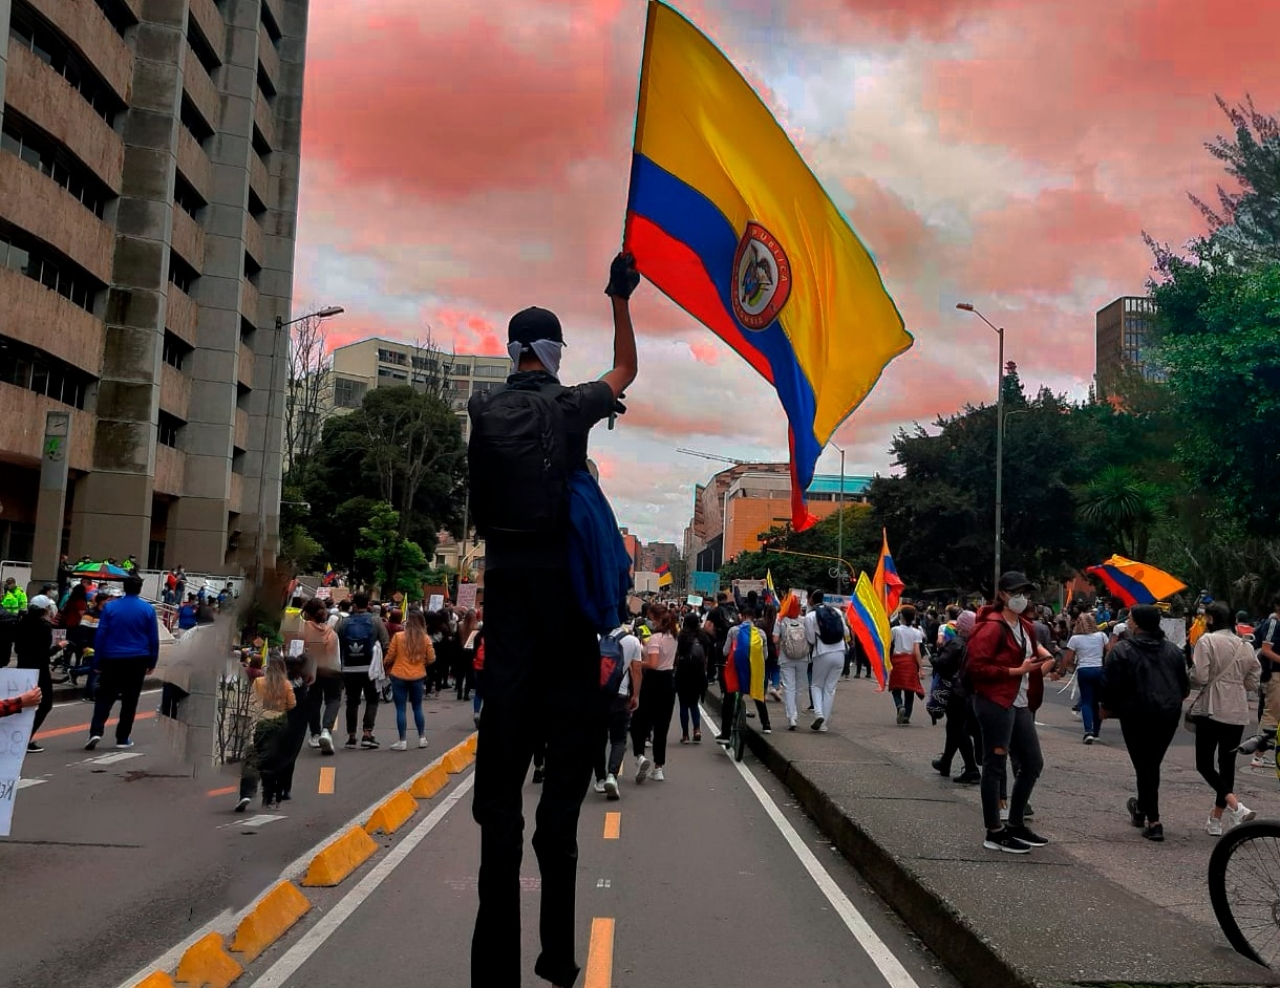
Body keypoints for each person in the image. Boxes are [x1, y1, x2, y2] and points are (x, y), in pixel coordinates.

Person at [467, 251, 639, 988]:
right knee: (557, 822)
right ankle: (558, 960)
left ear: (511, 354)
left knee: (497, 825)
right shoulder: (573, 407)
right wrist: (620, 297)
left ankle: (492, 974)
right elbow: (627, 370)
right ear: (554, 353)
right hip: (568, 640)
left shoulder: (480, 409)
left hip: (507, 649)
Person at [965, 572, 1055, 854]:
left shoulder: (1025, 626)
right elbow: (975, 668)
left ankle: (1015, 823)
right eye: (1016, 592)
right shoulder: (990, 627)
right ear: (1002, 594)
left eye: (1025, 592)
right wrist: (1015, 671)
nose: (1022, 597)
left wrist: (1042, 662)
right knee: (994, 765)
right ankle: (994, 831)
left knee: (1032, 762)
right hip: (994, 701)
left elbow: (1037, 654)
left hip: (1019, 702)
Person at [1099, 604, 1189, 842]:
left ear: (1137, 623)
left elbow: (1111, 685)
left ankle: (1154, 820)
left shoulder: (1122, 651)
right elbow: (1184, 687)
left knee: (1145, 764)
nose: (1127, 621)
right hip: (1167, 714)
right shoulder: (1173, 651)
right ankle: (1141, 809)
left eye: (1129, 617)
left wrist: (1106, 708)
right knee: (1150, 763)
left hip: (1136, 714)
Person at [1189, 600, 1260, 835]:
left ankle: (1236, 806)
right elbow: (1253, 680)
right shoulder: (1245, 645)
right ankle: (1216, 819)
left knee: (1204, 763)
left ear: (1211, 619)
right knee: (1226, 764)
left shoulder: (1207, 641)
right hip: (1237, 709)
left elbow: (1200, 676)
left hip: (1212, 707)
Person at [85, 576, 159, 751]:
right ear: (140, 589)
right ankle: (122, 737)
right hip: (137, 658)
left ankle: (95, 731)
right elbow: (153, 639)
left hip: (112, 658)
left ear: (124, 588)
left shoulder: (110, 607)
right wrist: (152, 660)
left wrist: (97, 660)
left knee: (105, 697)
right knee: (130, 700)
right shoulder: (147, 609)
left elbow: (101, 635)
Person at [237, 651, 297, 812]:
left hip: (261, 723)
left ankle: (246, 793)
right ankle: (269, 797)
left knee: (253, 758)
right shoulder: (285, 684)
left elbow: (251, 702)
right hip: (280, 725)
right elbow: (292, 704)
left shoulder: (258, 682)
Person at [595, 618, 644, 800]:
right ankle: (612, 776)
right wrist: (636, 695)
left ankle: (599, 779)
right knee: (618, 739)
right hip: (620, 695)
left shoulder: (596, 636)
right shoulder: (632, 641)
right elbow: (637, 669)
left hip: (596, 696)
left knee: (598, 738)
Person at [931, 610, 981, 783]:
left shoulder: (957, 643)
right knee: (954, 728)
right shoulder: (976, 644)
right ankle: (946, 762)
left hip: (955, 691)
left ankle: (971, 768)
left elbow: (943, 664)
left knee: (957, 729)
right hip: (970, 692)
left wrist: (934, 658)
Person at [631, 602, 678, 782]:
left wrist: (637, 663)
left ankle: (640, 755)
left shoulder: (656, 638)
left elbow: (653, 663)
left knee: (639, 720)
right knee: (662, 725)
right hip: (669, 681)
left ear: (656, 619)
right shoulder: (673, 636)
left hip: (653, 681)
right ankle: (659, 767)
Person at [336, 592, 389, 749]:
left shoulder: (344, 622)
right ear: (368, 604)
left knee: (352, 701)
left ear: (354, 604)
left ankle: (352, 736)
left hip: (349, 668)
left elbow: (337, 643)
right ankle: (367, 734)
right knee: (372, 700)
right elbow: (386, 643)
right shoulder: (375, 620)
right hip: (370, 669)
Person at [14, 596, 66, 749]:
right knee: (45, 704)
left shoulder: (22, 622)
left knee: (22, 703)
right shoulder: (44, 626)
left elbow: (17, 648)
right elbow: (44, 653)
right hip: (39, 670)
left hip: (22, 667)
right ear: (45, 609)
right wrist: (59, 646)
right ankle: (25, 738)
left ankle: (15, 735)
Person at [385, 609, 435, 751]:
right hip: (418, 675)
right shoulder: (425, 638)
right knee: (417, 707)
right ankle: (422, 738)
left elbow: (390, 655)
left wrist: (386, 664)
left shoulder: (398, 637)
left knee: (401, 709)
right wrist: (421, 663)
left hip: (399, 675)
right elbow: (431, 658)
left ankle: (402, 741)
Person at [1060, 613, 1110, 743]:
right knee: (1097, 702)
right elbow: (1110, 650)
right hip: (1099, 669)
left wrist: (1062, 670)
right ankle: (1096, 732)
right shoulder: (1102, 636)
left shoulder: (1075, 639)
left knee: (1086, 701)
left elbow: (1068, 658)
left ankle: (1088, 731)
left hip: (1084, 670)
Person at [302, 598, 343, 754]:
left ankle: (315, 734)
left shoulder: (304, 629)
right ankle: (327, 730)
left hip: (313, 670)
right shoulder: (332, 633)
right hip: (332, 670)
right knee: (333, 700)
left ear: (308, 613)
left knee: (313, 700)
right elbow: (337, 656)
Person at [804, 590, 848, 731]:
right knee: (830, 688)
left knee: (816, 685)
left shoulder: (810, 616)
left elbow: (810, 639)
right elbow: (846, 632)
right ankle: (824, 724)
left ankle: (818, 713)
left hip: (822, 652)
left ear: (811, 599)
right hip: (840, 652)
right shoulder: (836, 612)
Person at [774, 594, 809, 730]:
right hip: (803, 658)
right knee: (800, 688)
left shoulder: (780, 620)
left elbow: (775, 640)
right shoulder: (804, 620)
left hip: (786, 658)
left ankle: (791, 717)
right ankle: (797, 714)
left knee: (789, 687)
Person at [888, 605, 926, 725]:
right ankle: (906, 716)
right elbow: (917, 651)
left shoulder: (895, 630)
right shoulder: (917, 632)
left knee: (895, 688)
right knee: (910, 691)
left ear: (902, 617)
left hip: (898, 662)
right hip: (910, 663)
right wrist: (921, 668)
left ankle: (899, 706)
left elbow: (888, 645)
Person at [674, 613, 708, 743]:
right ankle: (697, 729)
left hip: (683, 673)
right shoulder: (703, 637)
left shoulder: (681, 636)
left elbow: (677, 655)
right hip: (698, 674)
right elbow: (706, 657)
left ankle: (685, 735)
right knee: (694, 704)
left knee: (683, 704)